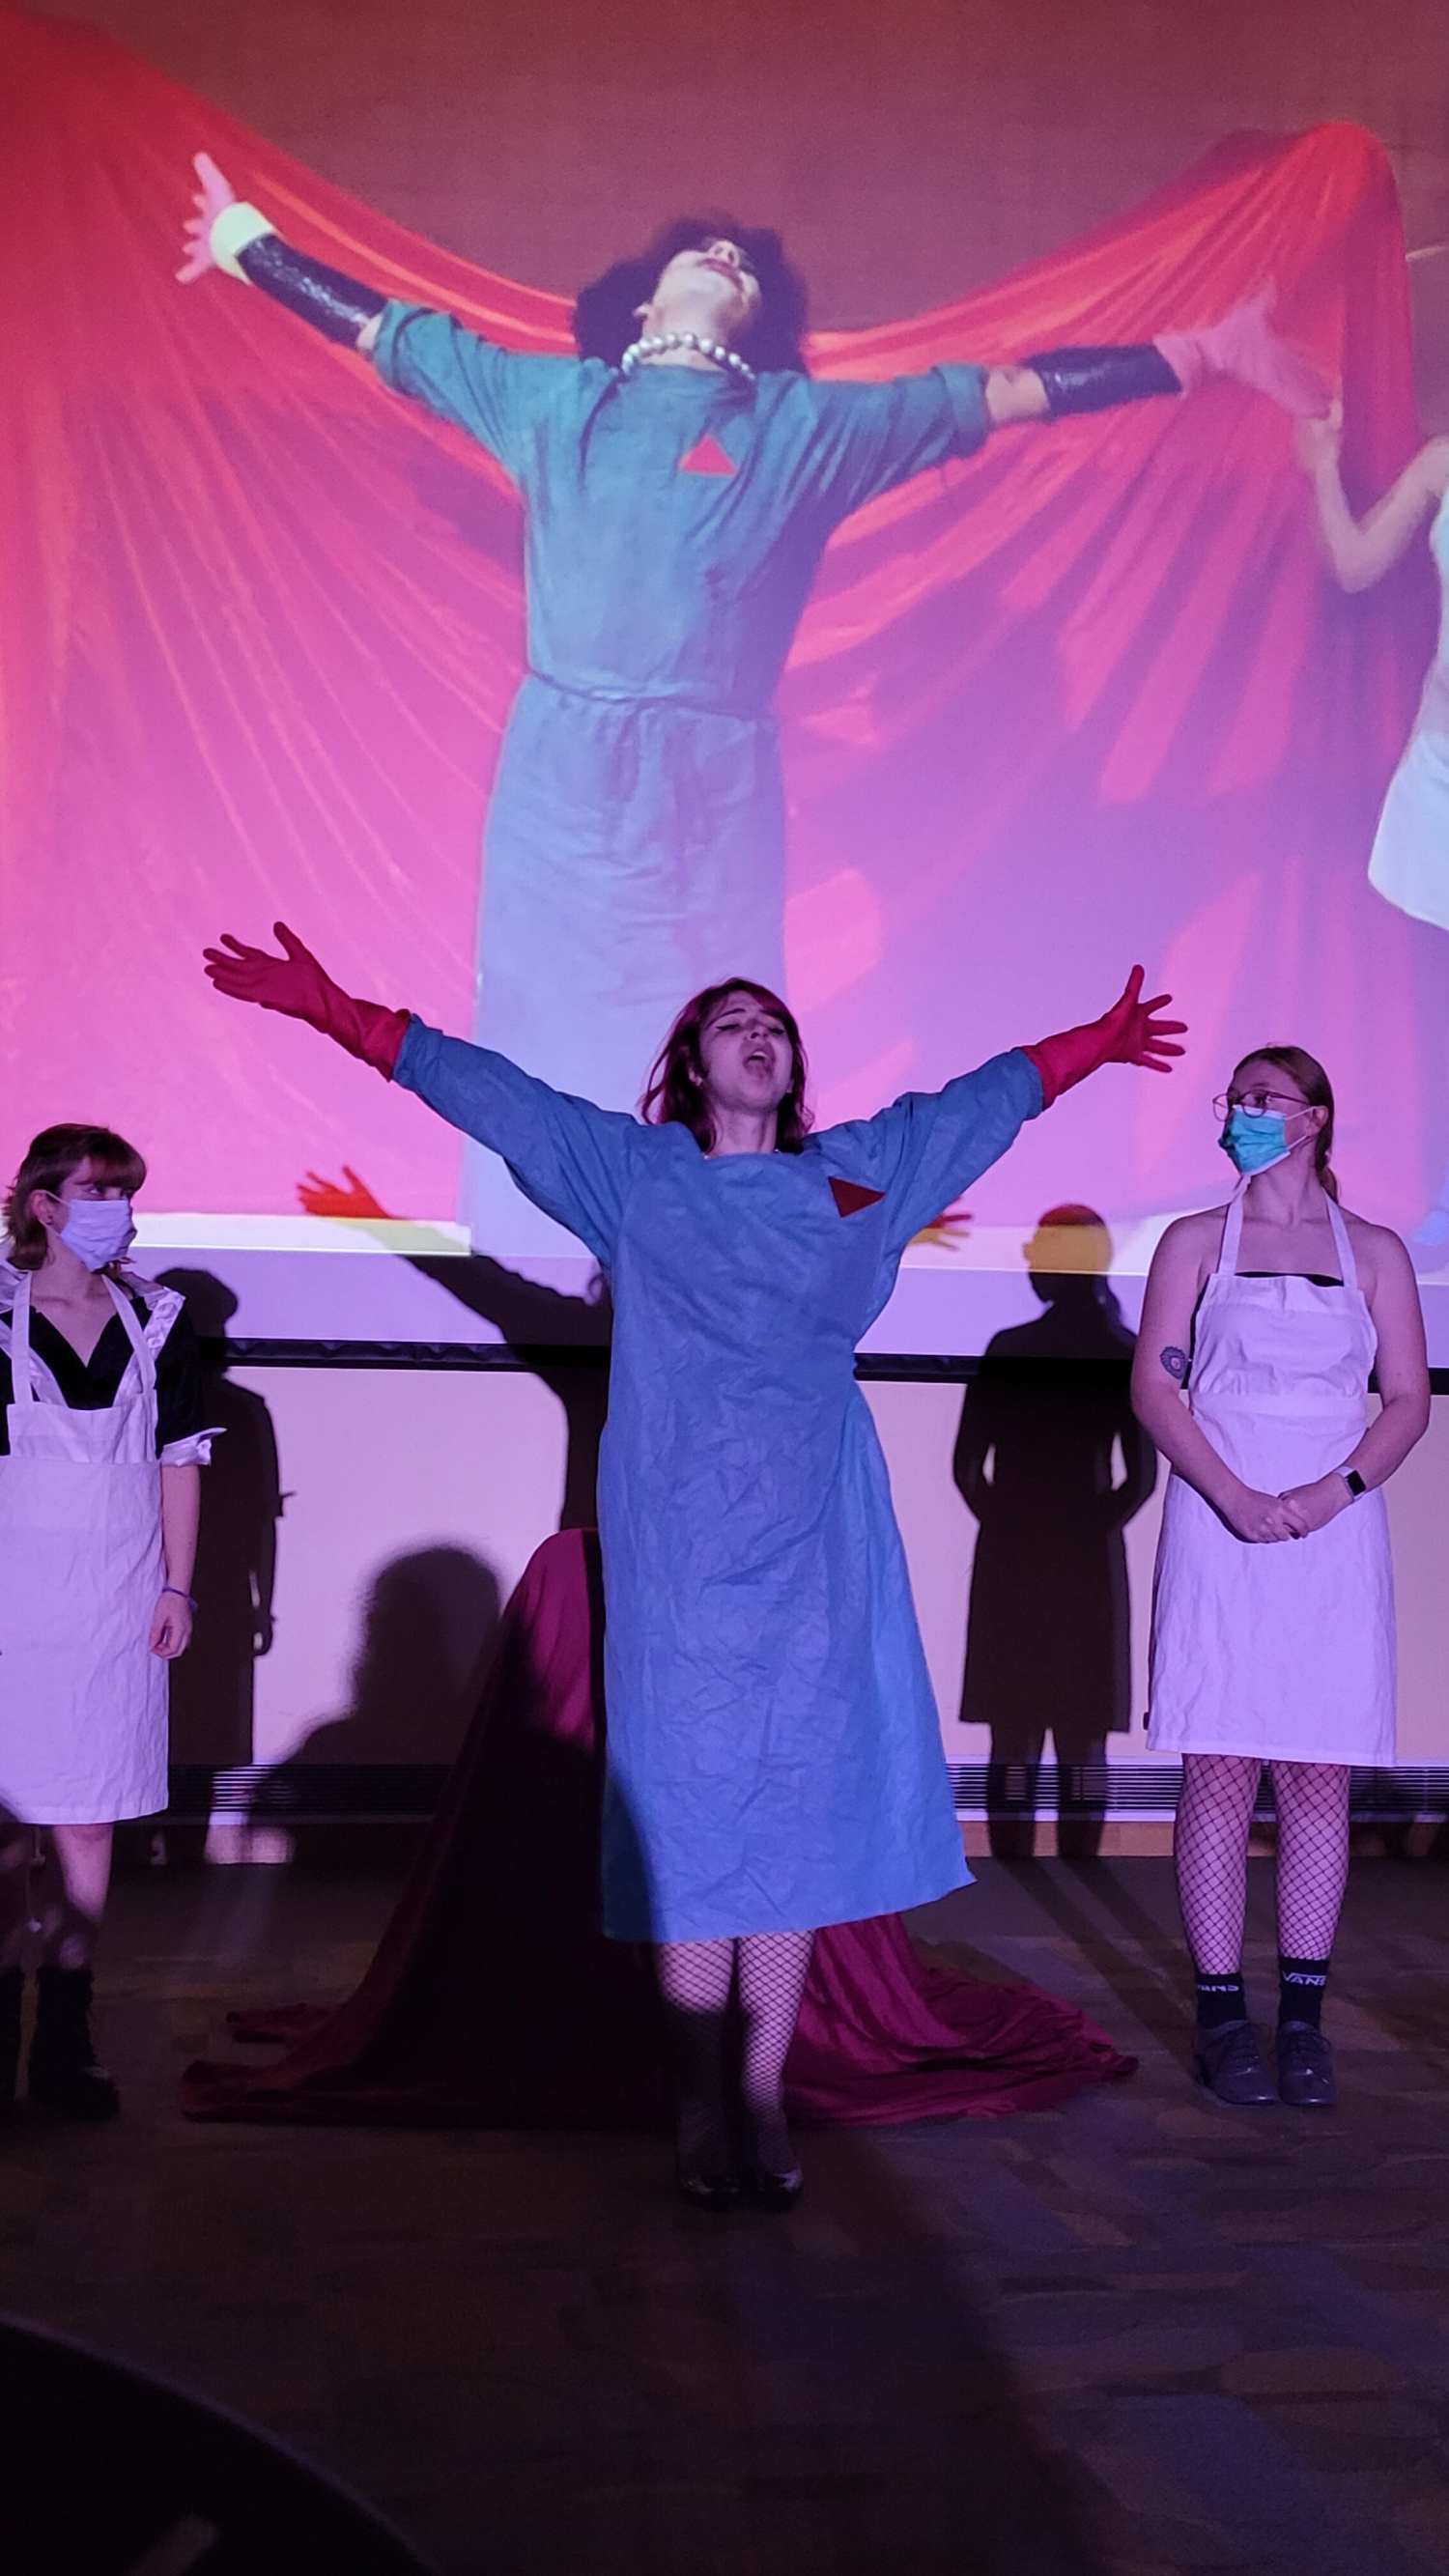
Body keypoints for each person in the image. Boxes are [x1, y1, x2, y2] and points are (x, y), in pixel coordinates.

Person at [204, 920, 1183, 2204]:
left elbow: (980, 1103)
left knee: (787, 1837)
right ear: (686, 1065)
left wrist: (1095, 1048)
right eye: (733, 1020)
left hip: (820, 1554)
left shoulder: (856, 1173)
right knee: (695, 1834)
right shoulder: (635, 1173)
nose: (761, 1033)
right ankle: (694, 2099)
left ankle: (763, 2094)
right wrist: (339, 1010)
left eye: (776, 1021)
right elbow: (495, 1095)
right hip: (679, 1560)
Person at [181, 155, 1316, 1246]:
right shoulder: (548, 402)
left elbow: (1009, 394)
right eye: (700, 249)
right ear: (640, 303)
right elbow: (383, 332)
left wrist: (1210, 349)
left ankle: (757, 1243)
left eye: (743, 260)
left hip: (716, 794)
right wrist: (240, 242)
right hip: (562, 787)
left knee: (727, 1036)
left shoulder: (809, 429)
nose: (724, 255)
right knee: (539, 1034)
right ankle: (527, 1258)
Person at [1132, 1048, 1428, 2109]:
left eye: (1263, 1100)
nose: (1243, 1115)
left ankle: (1302, 2020)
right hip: (1221, 1518)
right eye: (1235, 1100)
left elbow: (1405, 1401)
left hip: (1332, 1529)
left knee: (1317, 1771)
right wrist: (1232, 1494)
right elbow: (1158, 1389)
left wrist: (1330, 1492)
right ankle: (1223, 2018)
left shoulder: (1382, 1254)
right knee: (1219, 1764)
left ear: (1316, 1118)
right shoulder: (1195, 1242)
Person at [0, 1129, 217, 2120]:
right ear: (44, 1204)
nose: (117, 1208)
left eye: (124, 1191)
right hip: (15, 1599)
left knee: (88, 1816)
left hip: (112, 1596)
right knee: (6, 1827)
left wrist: (178, 1588)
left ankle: (66, 2044)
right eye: (96, 1190)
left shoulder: (158, 1321)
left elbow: (179, 1460)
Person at [1297, 401, 1449, 1236]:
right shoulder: (1441, 462)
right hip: (1441, 776)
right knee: (1442, 1007)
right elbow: (1355, 565)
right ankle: (1445, 1191)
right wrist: (1322, 466)